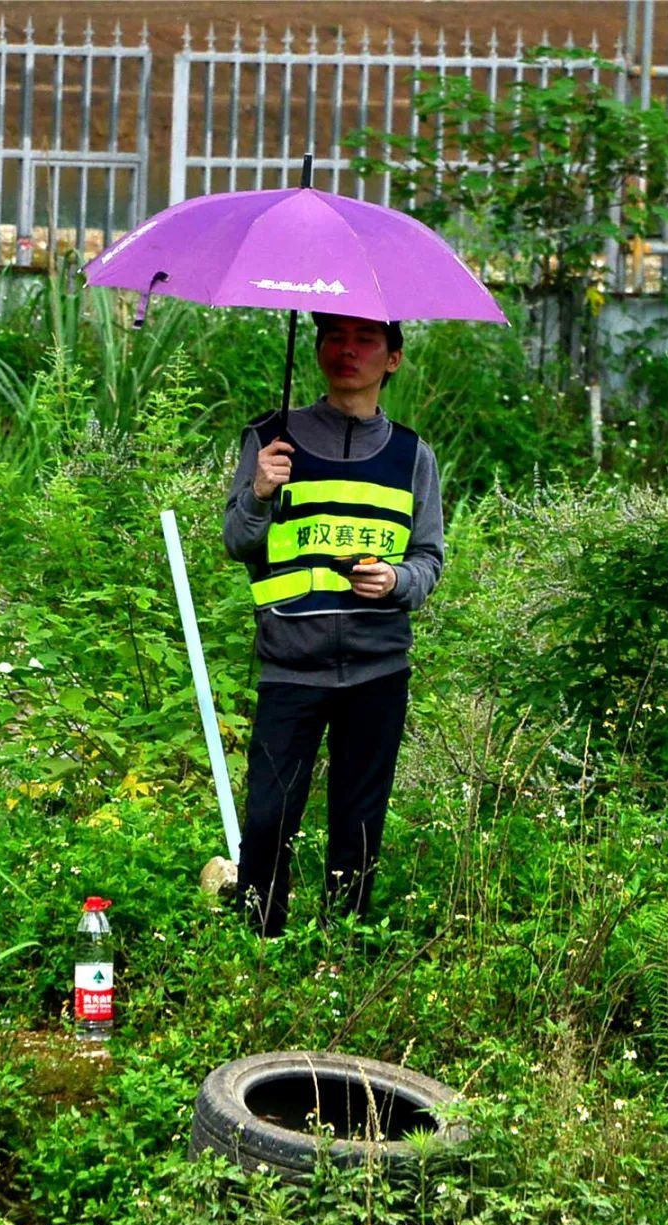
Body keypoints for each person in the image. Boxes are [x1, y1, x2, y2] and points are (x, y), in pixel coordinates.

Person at [223, 311, 444, 937]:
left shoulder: (411, 456)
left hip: (378, 668)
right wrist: (260, 491)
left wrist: (397, 582)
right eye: (334, 338)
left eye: (365, 340)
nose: (348, 351)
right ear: (317, 349)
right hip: (291, 666)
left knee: (360, 822)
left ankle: (340, 949)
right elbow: (238, 542)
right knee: (269, 818)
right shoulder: (270, 439)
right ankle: (258, 946)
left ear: (392, 359)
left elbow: (429, 559)